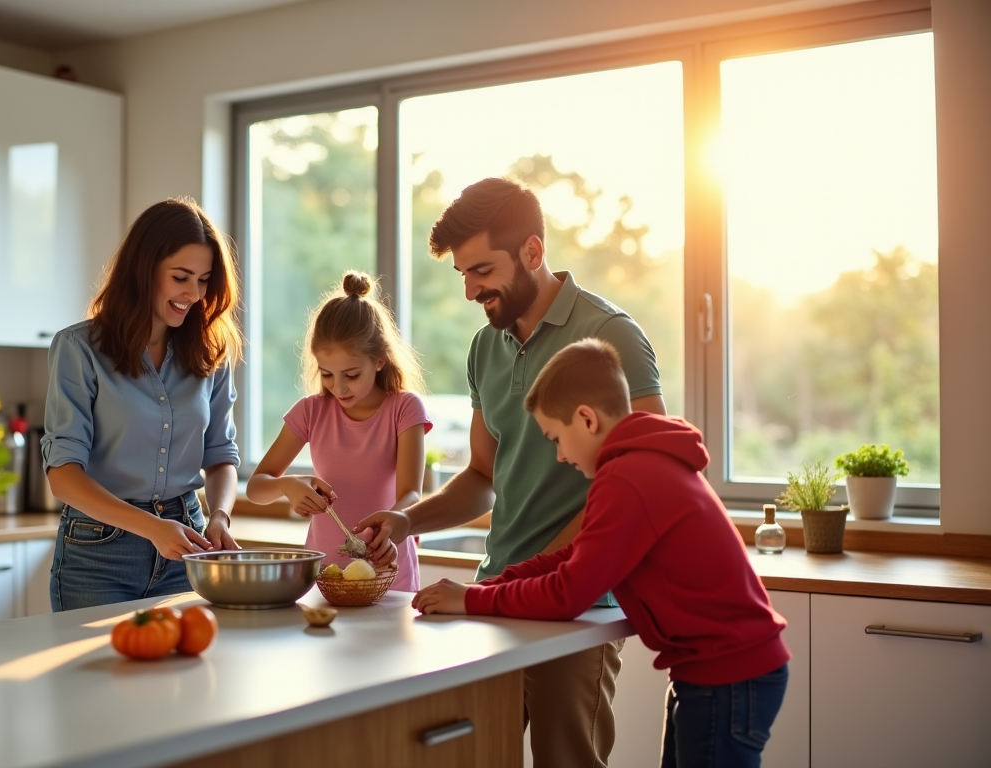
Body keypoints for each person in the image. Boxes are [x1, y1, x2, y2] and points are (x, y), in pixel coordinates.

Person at [358, 177, 665, 766]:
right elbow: (481, 474)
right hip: (496, 590)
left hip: (578, 602)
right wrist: (403, 520)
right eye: (463, 275)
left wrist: (549, 570)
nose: (472, 289)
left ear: (532, 250)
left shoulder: (610, 335)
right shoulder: (485, 348)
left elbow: (645, 477)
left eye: (482, 271)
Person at [413, 338, 790, 768]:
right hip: (719, 672)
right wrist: (491, 584)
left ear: (587, 419)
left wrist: (471, 599)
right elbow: (574, 554)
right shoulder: (637, 464)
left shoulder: (627, 476)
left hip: (727, 676)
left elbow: (569, 593)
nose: (558, 455)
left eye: (556, 438)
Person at [42, 197, 244, 610]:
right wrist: (151, 527)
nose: (194, 294)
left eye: (204, 280)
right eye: (181, 277)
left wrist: (220, 516)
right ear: (144, 270)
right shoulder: (79, 349)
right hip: (99, 553)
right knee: (97, 675)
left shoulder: (211, 353)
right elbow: (63, 475)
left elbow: (221, 455)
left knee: (183, 672)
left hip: (187, 545)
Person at [247, 270, 431, 592]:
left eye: (351, 374)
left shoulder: (405, 408)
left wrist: (391, 526)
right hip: (324, 578)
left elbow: (410, 495)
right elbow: (256, 487)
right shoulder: (311, 411)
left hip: (388, 570)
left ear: (380, 360)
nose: (339, 387)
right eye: (327, 374)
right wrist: (288, 486)